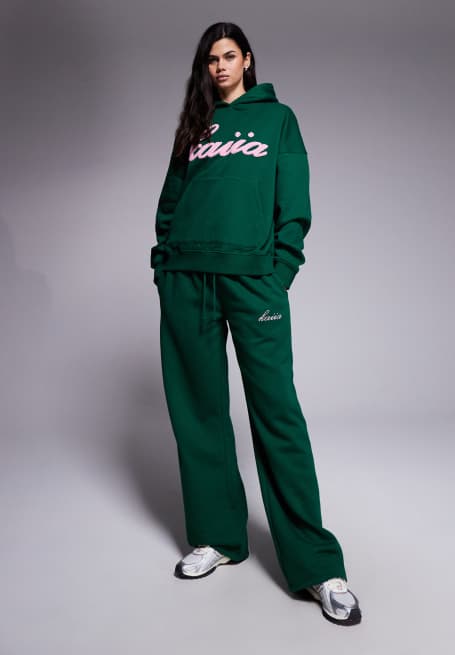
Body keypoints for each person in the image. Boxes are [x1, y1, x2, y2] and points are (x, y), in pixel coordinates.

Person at [150, 21, 362, 626]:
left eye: (228, 56)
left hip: (252, 282)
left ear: (246, 59)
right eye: (210, 59)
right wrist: (164, 262)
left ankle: (317, 564)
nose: (219, 66)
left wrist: (280, 272)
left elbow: (294, 203)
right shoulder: (196, 126)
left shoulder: (278, 120)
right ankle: (217, 537)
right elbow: (170, 201)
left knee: (276, 413)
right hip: (187, 279)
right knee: (199, 411)